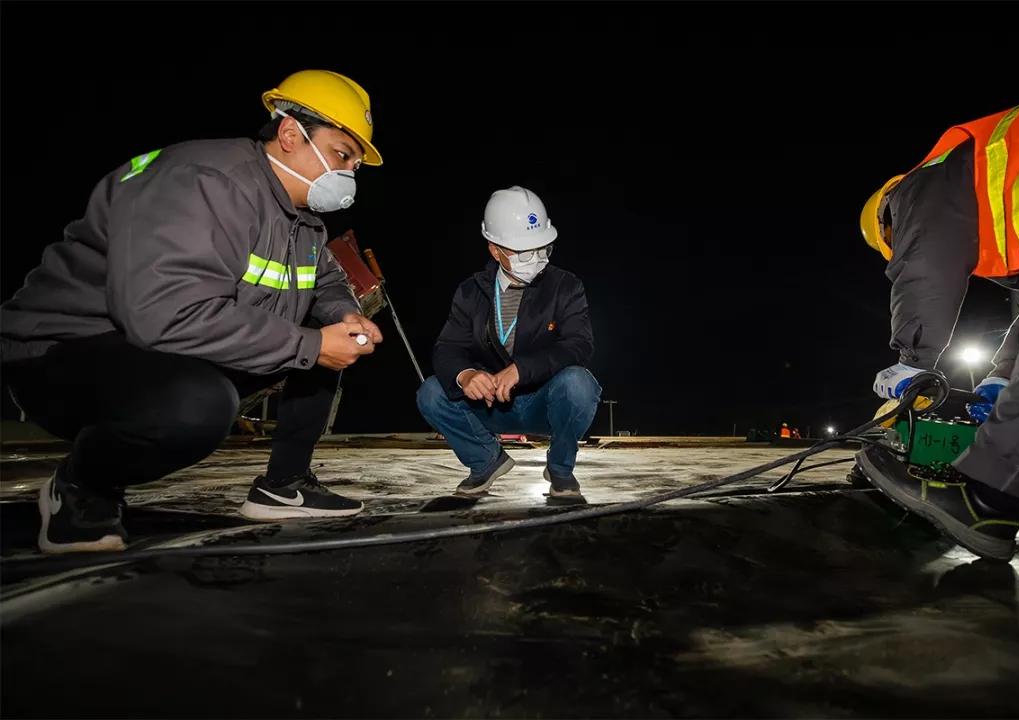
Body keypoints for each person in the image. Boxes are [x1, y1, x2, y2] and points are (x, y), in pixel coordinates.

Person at [1, 69, 386, 554]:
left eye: (355, 163)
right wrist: (309, 345)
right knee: (198, 407)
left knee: (329, 338)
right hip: (62, 352)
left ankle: (283, 485)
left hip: (159, 346)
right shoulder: (207, 182)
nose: (349, 173)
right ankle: (81, 489)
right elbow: (163, 313)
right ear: (291, 133)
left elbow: (325, 280)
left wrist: (345, 317)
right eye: (342, 154)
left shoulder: (300, 220)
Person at [856, 50, 1019, 561]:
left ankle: (988, 499)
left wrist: (910, 363)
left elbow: (925, 266)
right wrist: (1003, 375)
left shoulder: (926, 180)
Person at [416, 186, 601, 498]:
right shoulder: (470, 292)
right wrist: (467, 376)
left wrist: (521, 370)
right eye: (526, 252)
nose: (538, 260)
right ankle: (486, 461)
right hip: (489, 406)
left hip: (543, 403)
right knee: (431, 392)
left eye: (544, 249)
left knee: (580, 384)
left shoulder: (566, 286)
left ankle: (560, 469)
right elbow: (447, 348)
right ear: (495, 250)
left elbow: (578, 345)